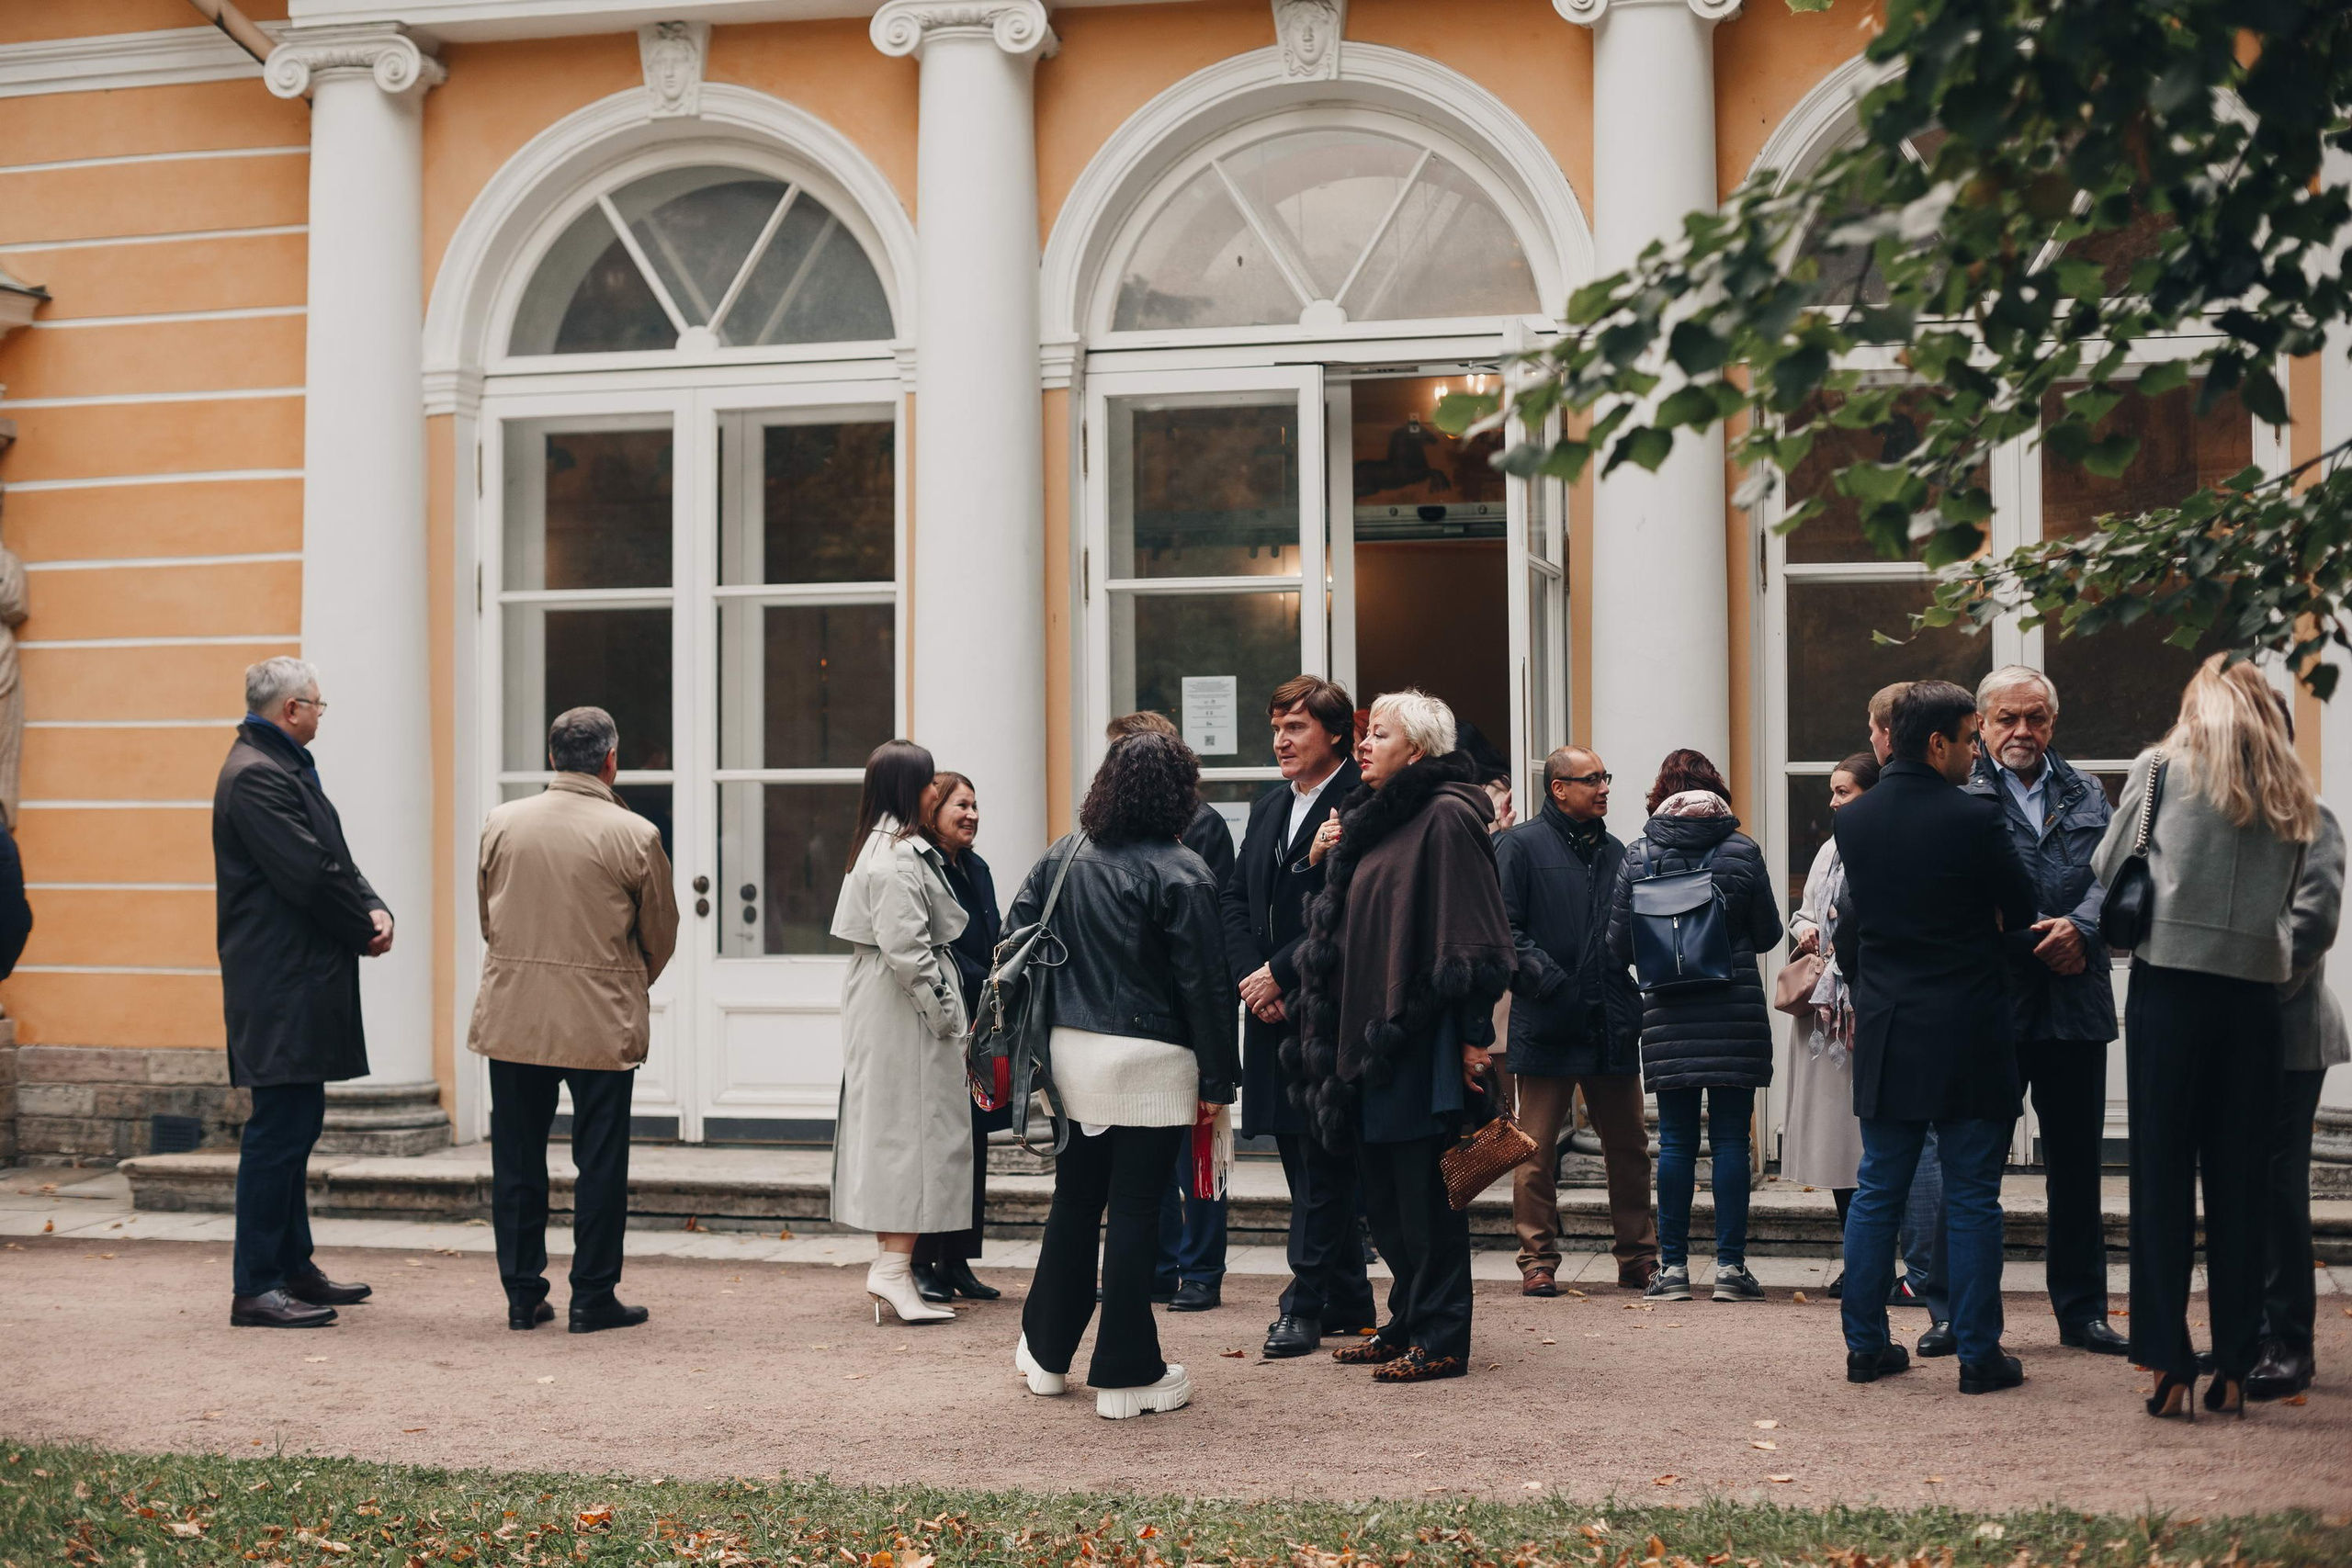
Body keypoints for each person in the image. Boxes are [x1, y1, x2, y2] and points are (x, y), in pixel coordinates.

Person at [2094, 654, 2312, 1418]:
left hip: (2173, 984)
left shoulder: (2161, 767)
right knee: (2241, 1181)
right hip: (2254, 993)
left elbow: (2109, 860)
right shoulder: (2290, 783)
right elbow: (2293, 895)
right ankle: (2235, 1360)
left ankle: (2168, 1359)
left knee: (2160, 1175)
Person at [1011, 731, 1238, 1419]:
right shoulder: (1185, 870)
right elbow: (1205, 987)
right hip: (1153, 1060)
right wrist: (1218, 1084)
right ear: (1181, 791)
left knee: (1076, 1202)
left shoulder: (1064, 853)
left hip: (1072, 1054)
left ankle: (1047, 1354)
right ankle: (1126, 1370)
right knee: (1138, 1208)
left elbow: (1015, 934)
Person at [1294, 690, 1515, 1383]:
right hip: (1367, 1037)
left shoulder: (1448, 815)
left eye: (1378, 734)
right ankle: (1407, 1319)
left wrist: (1474, 1035)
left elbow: (1478, 938)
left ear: (1416, 749)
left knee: (1426, 1199)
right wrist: (1328, 854)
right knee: (1385, 1199)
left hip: (1424, 1037)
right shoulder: (1378, 819)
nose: (1362, 745)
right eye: (1363, 734)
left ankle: (1443, 1336)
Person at [1833, 680, 2037, 1394]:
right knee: (1975, 1192)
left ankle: (1865, 1345)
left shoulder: (1854, 823)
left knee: (1877, 1188)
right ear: (1938, 742)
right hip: (1971, 1024)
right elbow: (2023, 904)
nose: (1977, 750)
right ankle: (1980, 1355)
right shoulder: (1973, 818)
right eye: (1971, 736)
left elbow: (1852, 929)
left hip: (1890, 1023)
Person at [470, 706, 679, 1334]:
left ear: (552, 756)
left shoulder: (501, 823)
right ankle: (592, 1294)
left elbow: (489, 918)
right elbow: (659, 934)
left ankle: (521, 1292)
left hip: (515, 1013)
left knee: (516, 1159)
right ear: (610, 759)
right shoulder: (634, 834)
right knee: (601, 1162)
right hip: (600, 1019)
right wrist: (627, 977)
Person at [212, 657, 390, 1328]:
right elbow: (310, 876)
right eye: (318, 703)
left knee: (295, 1125)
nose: (321, 712)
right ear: (291, 710)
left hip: (295, 977)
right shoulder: (257, 775)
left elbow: (333, 857)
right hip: (281, 981)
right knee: (278, 1132)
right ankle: (256, 1283)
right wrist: (363, 925)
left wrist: (373, 907)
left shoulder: (276, 765)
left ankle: (292, 1266)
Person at [1961, 667, 2127, 1355]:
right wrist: (2031, 934)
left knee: (2077, 1165)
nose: (2022, 730)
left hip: (2074, 998)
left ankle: (2083, 1311)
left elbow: (2117, 873)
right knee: (1973, 1164)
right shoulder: (1961, 794)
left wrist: (2082, 929)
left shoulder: (2087, 789)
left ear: (2052, 724)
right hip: (1991, 1001)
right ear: (1982, 723)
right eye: (2008, 718)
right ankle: (1959, 1311)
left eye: (2035, 718)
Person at [1218, 675, 1375, 1358]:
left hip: (1327, 1012)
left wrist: (1281, 971)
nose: (1281, 739)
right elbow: (1233, 899)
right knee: (1297, 1158)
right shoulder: (1265, 804)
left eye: (1297, 727)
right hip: (1270, 1010)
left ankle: (1303, 1301)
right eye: (1276, 726)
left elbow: (1347, 909)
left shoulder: (1363, 802)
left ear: (1336, 733)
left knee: (1322, 1163)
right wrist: (1254, 979)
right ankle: (1349, 1297)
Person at [1607, 750, 1780, 1305]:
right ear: (1717, 792)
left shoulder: (1638, 855)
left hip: (1669, 1014)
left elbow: (1617, 947)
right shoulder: (1742, 850)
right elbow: (1771, 933)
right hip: (1735, 1011)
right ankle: (1730, 1269)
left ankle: (1674, 1270)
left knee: (1677, 1142)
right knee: (1730, 1139)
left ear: (1662, 794)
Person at [1493, 745, 1657, 1295]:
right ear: (1559, 788)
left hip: (1610, 1018)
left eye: (1605, 777)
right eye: (1593, 779)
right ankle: (1537, 1259)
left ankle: (1638, 1257)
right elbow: (1504, 932)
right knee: (1533, 1149)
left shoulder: (1619, 853)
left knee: (1629, 1146)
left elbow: (1633, 932)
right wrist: (1553, 983)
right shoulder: (1517, 847)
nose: (1605, 787)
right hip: (1548, 1019)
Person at [831, 739, 973, 1326]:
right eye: (926, 785)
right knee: (911, 1138)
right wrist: (948, 1018)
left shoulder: (886, 848)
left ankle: (894, 1268)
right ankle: (892, 1269)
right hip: (905, 1014)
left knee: (905, 1137)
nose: (934, 793)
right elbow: (908, 954)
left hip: (894, 1009)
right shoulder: (894, 859)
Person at [1106, 710, 1234, 1309]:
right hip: (1135, 1018)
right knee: (1147, 1154)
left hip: (1181, 1015)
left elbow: (1202, 955)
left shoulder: (1198, 830)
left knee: (1197, 1155)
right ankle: (1158, 1265)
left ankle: (1201, 1269)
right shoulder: (1107, 839)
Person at [2254, 789, 2346, 1401]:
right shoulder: (2210, 808)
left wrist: (2245, 998)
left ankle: (2290, 1343)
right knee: (2241, 1185)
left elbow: (2312, 926)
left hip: (2290, 1032)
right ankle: (2250, 1331)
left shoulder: (2310, 815)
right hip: (2230, 1034)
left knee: (2277, 1182)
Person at [910, 772, 1008, 1305]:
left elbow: (992, 936)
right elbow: (927, 948)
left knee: (970, 1144)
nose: (971, 815)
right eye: (960, 805)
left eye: (975, 805)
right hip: (939, 1021)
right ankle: (921, 1259)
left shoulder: (977, 867)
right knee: (937, 1145)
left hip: (978, 1025)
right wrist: (981, 977)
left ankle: (957, 1260)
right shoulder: (920, 867)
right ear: (933, 809)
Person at [1783, 751, 1878, 1294]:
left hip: (1864, 1006)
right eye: (1833, 791)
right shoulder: (1828, 850)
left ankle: (1883, 1261)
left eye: (1845, 792)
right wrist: (1805, 929)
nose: (1834, 801)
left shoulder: (1880, 846)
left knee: (1870, 1141)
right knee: (1839, 1141)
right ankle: (1859, 1259)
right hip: (1824, 1011)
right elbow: (1804, 909)